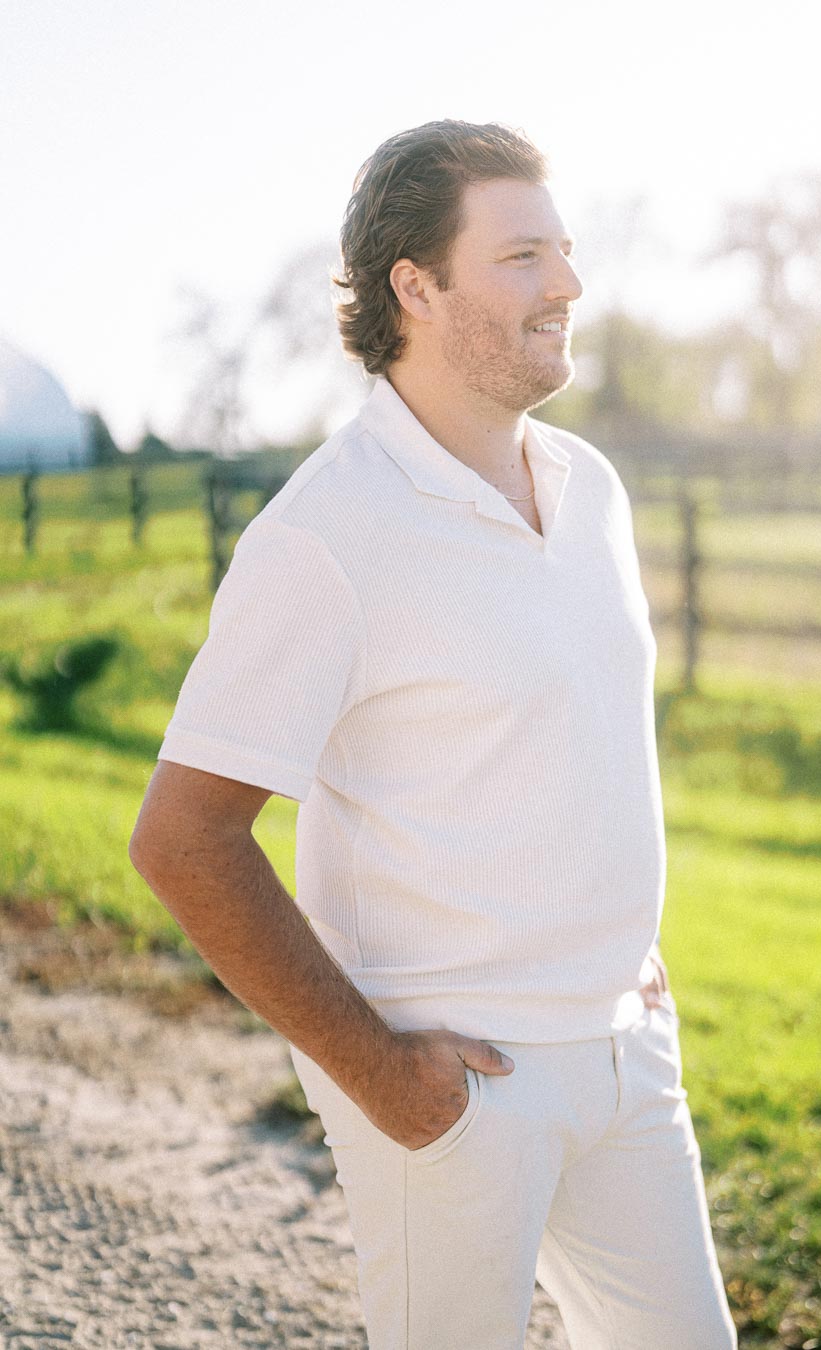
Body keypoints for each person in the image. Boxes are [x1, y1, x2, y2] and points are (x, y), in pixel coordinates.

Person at [129, 118, 738, 1350]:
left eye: (563, 251)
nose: (567, 282)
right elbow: (185, 840)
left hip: (628, 1051)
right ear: (417, 285)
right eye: (522, 256)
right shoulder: (326, 536)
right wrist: (388, 1078)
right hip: (459, 1088)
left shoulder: (592, 490)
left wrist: (622, 950)